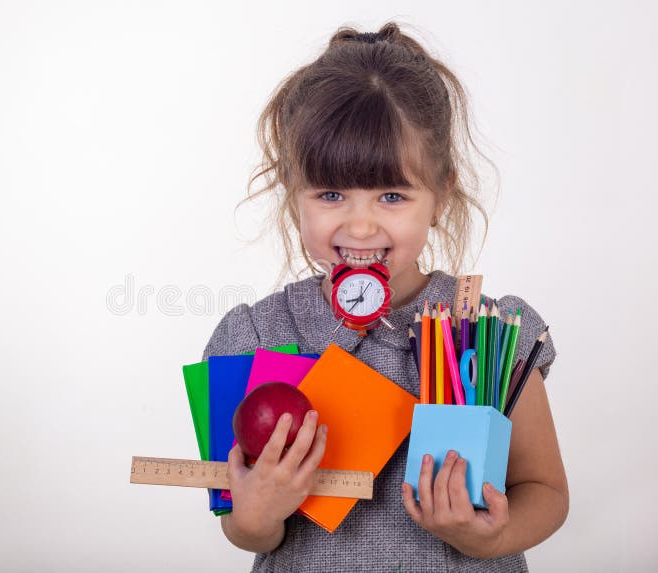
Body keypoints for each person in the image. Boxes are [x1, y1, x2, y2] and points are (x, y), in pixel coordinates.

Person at [201, 21, 568, 572]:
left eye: (392, 195)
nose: (362, 225)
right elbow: (243, 529)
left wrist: (490, 538)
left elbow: (545, 489)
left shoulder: (489, 333)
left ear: (440, 196)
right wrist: (256, 514)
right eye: (330, 193)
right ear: (293, 196)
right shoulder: (254, 339)